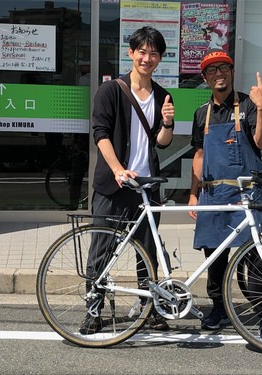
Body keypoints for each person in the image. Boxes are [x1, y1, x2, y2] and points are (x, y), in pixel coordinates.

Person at [80, 26, 175, 334]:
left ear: (160, 58)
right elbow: (100, 134)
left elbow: (161, 142)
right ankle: (93, 309)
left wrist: (169, 122)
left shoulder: (162, 94)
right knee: (102, 248)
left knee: (148, 251)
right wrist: (119, 168)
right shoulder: (111, 91)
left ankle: (149, 308)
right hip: (114, 183)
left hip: (146, 186)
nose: (147, 58)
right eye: (142, 52)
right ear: (131, 53)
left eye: (154, 53)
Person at [188, 48, 262, 343]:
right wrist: (193, 193)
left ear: (231, 72)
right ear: (205, 77)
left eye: (223, 68)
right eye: (212, 70)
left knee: (256, 259)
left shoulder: (250, 105)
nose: (218, 74)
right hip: (213, 195)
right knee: (215, 258)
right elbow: (199, 154)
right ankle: (219, 308)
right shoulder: (202, 113)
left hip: (247, 193)